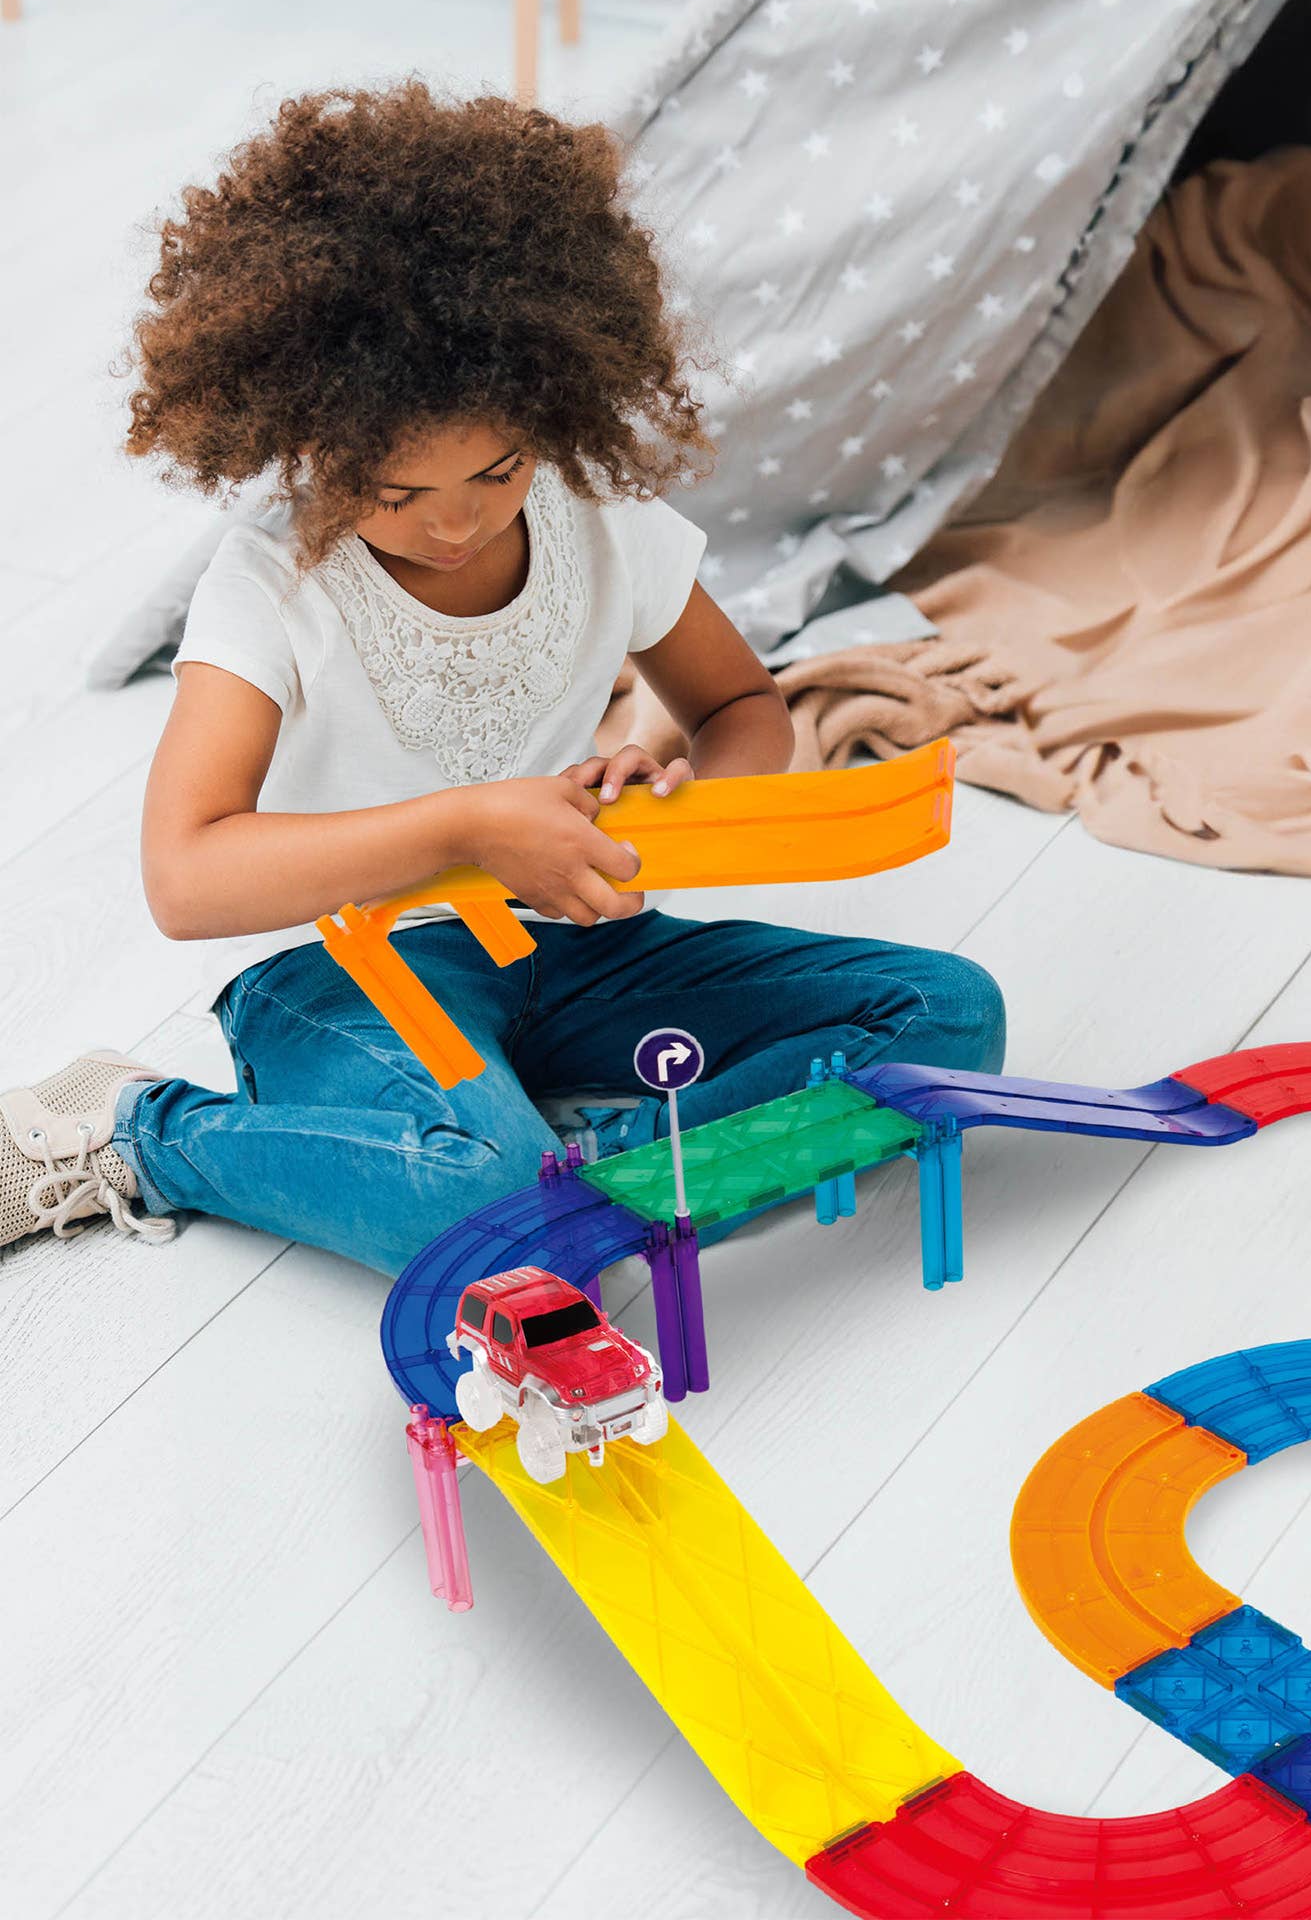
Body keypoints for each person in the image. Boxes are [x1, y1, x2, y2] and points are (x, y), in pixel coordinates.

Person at [0, 81, 1003, 1272]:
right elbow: (185, 874)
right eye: (393, 493)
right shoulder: (267, 588)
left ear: (549, 406)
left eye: (498, 467)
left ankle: (561, 1191)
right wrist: (473, 822)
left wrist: (665, 811)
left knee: (948, 1017)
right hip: (350, 970)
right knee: (472, 1200)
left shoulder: (602, 520)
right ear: (307, 442)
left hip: (576, 948)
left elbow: (741, 710)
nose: (457, 524)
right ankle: (144, 1133)